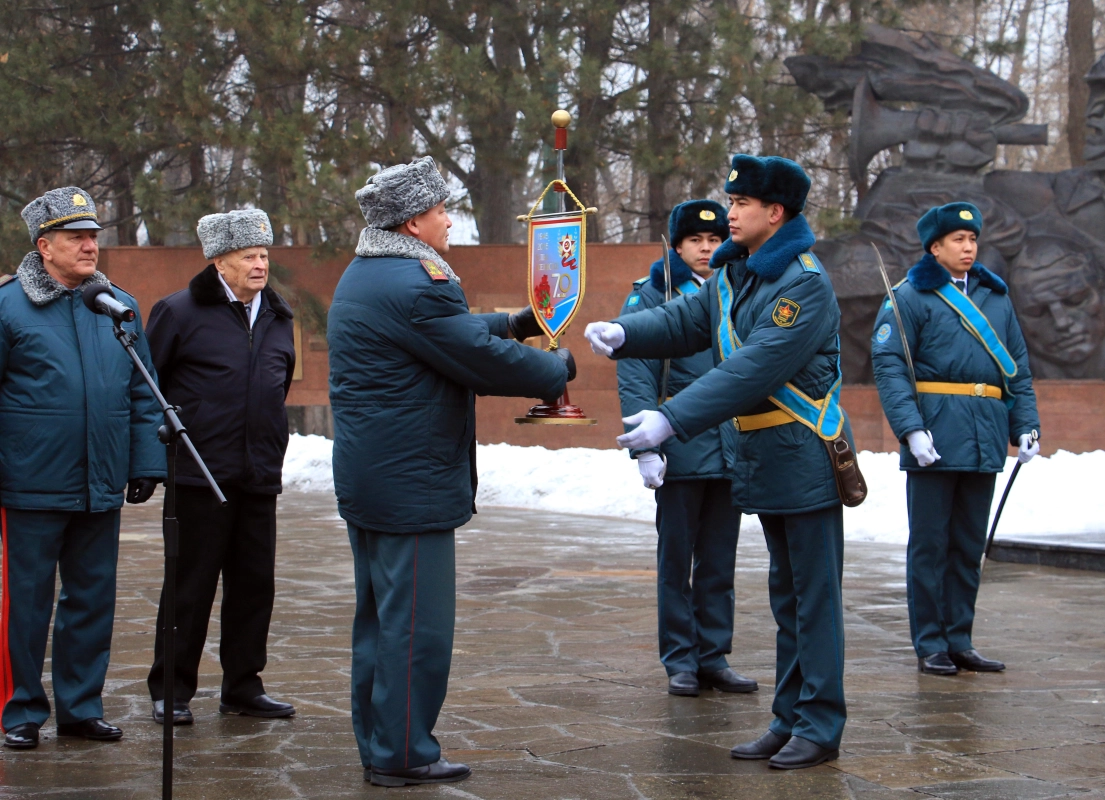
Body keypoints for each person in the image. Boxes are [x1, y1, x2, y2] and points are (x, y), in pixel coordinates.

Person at [585, 155, 852, 770]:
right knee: (788, 597)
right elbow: (686, 320)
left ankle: (821, 723)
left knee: (814, 598)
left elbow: (751, 368)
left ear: (775, 213)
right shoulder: (742, 275)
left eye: (740, 205)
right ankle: (789, 720)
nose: (729, 214)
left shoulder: (802, 284)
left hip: (802, 455)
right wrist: (629, 333)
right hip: (763, 457)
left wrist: (671, 419)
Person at [327, 156, 572, 787]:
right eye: (439, 210)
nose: (448, 218)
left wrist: (515, 323)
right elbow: (471, 357)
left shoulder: (369, 273)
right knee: (418, 631)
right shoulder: (417, 281)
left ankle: (381, 742)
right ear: (412, 222)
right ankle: (405, 753)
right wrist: (553, 368)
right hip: (410, 484)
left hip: (373, 477)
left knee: (380, 624)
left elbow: (443, 334)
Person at [0, 187, 165, 750]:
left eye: (93, 236)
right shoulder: (7, 306)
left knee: (92, 599)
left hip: (100, 482)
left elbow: (144, 394)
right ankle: (20, 711)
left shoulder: (116, 305)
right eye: (77, 237)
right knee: (27, 604)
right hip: (30, 482)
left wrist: (145, 461)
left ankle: (80, 707)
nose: (91, 246)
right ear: (44, 246)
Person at [871, 202, 1041, 676]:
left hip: (984, 434)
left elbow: (1017, 370)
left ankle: (959, 637)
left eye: (973, 240)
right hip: (935, 434)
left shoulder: (995, 297)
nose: (968, 248)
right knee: (930, 546)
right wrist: (910, 429)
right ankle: (930, 643)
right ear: (935, 247)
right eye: (958, 241)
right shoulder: (909, 296)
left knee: (968, 545)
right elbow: (890, 367)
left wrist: (1025, 424)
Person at [144, 209, 297, 725]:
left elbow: (279, 386)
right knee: (190, 585)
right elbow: (147, 390)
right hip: (197, 476)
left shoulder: (278, 316)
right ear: (218, 263)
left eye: (264, 255)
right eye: (248, 257)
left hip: (257, 475)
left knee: (255, 585)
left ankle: (243, 686)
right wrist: (152, 460)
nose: (260, 265)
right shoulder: (178, 312)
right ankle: (171, 688)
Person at [616, 199, 755, 698]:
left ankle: (713, 655)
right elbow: (635, 374)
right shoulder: (652, 295)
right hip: (676, 444)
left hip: (728, 443)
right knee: (677, 560)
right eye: (695, 240)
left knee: (719, 559)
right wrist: (644, 450)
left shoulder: (736, 289)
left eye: (715, 239)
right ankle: (680, 659)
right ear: (676, 246)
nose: (706, 248)